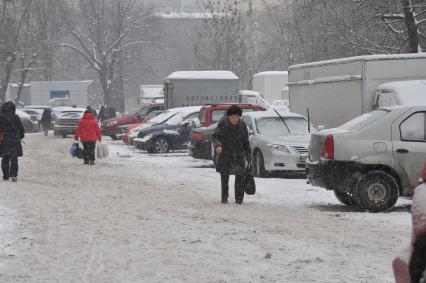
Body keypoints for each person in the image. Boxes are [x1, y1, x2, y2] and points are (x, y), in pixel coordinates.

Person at [213, 105, 251, 204]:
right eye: (233, 117)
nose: (235, 119)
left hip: (239, 155)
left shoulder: (242, 125)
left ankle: (239, 199)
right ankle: (224, 198)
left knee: (240, 177)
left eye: (237, 117)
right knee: (224, 177)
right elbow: (217, 137)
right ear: (228, 117)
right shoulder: (223, 124)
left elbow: (246, 141)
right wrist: (218, 146)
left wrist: (248, 153)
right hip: (225, 154)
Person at [0, 101, 25, 182]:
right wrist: (21, 136)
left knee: (5, 158)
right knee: (14, 158)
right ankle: (13, 175)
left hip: (4, 140)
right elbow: (21, 128)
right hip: (14, 140)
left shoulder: (1, 117)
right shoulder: (16, 117)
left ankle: (6, 175)